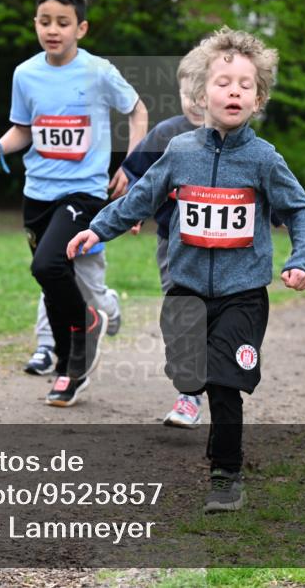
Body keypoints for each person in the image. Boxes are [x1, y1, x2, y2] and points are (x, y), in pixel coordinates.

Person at [67, 27, 305, 513]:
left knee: (225, 382)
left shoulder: (264, 160)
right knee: (187, 371)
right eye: (224, 82)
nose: (234, 92)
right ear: (202, 95)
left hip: (243, 293)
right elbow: (142, 198)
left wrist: (300, 260)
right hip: (184, 289)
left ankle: (226, 475)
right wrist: (97, 230)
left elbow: (302, 211)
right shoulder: (181, 151)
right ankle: (190, 389)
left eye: (245, 85)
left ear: (259, 99)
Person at [0, 0, 148, 406]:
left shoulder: (98, 72)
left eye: (63, 23)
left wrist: (132, 165)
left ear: (80, 28)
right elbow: (24, 129)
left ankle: (88, 323)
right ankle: (69, 369)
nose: (53, 30)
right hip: (38, 194)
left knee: (48, 266)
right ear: (35, 23)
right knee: (52, 281)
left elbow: (137, 110)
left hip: (83, 193)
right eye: (45, 21)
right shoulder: (25, 74)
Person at [119, 50, 207, 428]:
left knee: (214, 318)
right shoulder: (166, 134)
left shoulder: (237, 140)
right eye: (187, 94)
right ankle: (189, 390)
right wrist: (136, 209)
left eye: (201, 94)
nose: (194, 103)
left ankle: (208, 386)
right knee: (179, 314)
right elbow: (137, 174)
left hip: (224, 251)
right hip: (174, 243)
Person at [25, 242, 121, 375]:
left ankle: (111, 309)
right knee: (51, 282)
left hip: (86, 247)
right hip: (54, 246)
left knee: (94, 299)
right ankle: (46, 345)